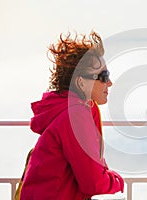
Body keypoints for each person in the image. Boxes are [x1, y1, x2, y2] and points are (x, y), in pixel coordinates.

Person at [19, 31, 124, 200]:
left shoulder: (70, 110)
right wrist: (118, 181)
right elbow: (93, 183)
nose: (109, 83)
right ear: (80, 82)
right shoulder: (75, 116)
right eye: (103, 77)